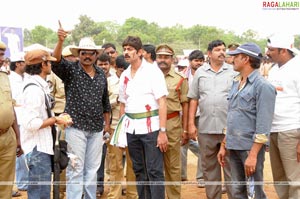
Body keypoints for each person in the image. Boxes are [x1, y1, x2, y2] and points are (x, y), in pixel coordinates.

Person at [51, 23, 111, 199]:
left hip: (96, 129)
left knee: (92, 170)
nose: (86, 56)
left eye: (90, 53)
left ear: (95, 55)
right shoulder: (71, 70)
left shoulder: (101, 74)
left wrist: (106, 125)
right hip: (75, 127)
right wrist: (60, 41)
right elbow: (56, 61)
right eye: (83, 53)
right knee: (76, 169)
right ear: (78, 55)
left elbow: (105, 103)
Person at [217, 43, 276, 198]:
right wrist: (224, 144)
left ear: (246, 59)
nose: (232, 59)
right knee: (237, 192)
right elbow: (232, 116)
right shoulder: (236, 83)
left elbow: (264, 125)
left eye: (236, 56)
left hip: (249, 148)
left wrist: (253, 155)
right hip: (234, 145)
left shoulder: (263, 86)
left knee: (254, 193)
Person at [116, 36, 168, 199]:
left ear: (140, 52)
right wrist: (121, 132)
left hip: (151, 128)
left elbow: (162, 102)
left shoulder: (153, 71)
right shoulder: (124, 75)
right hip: (131, 128)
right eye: (124, 49)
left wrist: (162, 131)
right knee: (138, 169)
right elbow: (123, 105)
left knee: (154, 170)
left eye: (130, 49)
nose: (126, 52)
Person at [21, 49, 72, 199]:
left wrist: (56, 117)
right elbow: (30, 123)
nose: (51, 65)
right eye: (49, 62)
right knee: (40, 194)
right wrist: (55, 120)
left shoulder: (40, 86)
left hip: (42, 146)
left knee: (42, 192)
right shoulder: (33, 90)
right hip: (37, 148)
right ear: (43, 64)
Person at [187, 40, 235, 199]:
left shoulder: (233, 71)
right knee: (209, 169)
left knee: (231, 168)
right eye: (217, 50)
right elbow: (193, 99)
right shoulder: (201, 72)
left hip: (228, 129)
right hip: (205, 128)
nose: (222, 52)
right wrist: (191, 124)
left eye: (223, 49)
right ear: (209, 53)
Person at [266, 33, 300, 199]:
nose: (267, 52)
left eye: (271, 50)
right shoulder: (274, 70)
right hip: (274, 130)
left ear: (284, 51)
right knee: (279, 179)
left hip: (292, 131)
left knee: (295, 180)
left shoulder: (297, 68)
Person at [156, 44, 189, 199]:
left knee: (173, 166)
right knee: (153, 166)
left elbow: (185, 104)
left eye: (166, 57)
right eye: (160, 56)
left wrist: (186, 129)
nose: (163, 60)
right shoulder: (149, 76)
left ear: (172, 59)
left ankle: (174, 197)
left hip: (172, 124)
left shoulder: (180, 79)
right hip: (151, 124)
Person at [106, 54, 138, 199]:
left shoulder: (137, 78)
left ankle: (133, 194)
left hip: (134, 127)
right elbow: (104, 103)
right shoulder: (109, 82)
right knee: (115, 164)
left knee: (133, 163)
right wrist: (116, 100)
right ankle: (114, 195)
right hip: (114, 127)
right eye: (122, 69)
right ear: (116, 68)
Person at [47, 44, 77, 199]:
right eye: (70, 58)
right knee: (61, 156)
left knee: (74, 156)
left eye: (74, 57)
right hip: (59, 119)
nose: (73, 60)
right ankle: (61, 191)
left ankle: (74, 191)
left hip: (75, 119)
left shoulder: (78, 72)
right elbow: (49, 99)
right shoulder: (53, 75)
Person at [0, 41, 23, 199]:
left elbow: (11, 106)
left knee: (6, 185)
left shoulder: (4, 77)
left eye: (2, 55)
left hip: (8, 136)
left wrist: (17, 137)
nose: (2, 59)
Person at [180, 50, 204, 188]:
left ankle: (201, 177)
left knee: (204, 145)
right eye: (196, 60)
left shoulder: (206, 75)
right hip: (184, 115)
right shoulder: (183, 76)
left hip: (201, 115)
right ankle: (182, 175)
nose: (199, 62)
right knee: (182, 144)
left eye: (201, 60)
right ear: (190, 62)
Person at [8, 52, 29, 196]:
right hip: (16, 119)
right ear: (18, 64)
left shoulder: (25, 78)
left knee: (23, 149)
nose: (26, 65)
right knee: (19, 150)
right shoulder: (10, 79)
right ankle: (22, 181)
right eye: (24, 62)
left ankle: (24, 180)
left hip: (25, 118)